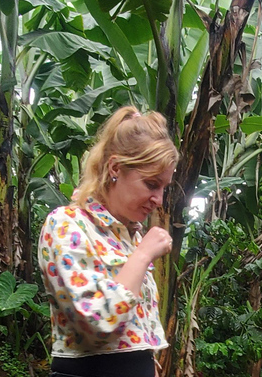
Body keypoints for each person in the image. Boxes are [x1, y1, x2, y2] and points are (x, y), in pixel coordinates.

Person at [38, 106, 179, 377]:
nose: (159, 200)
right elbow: (98, 323)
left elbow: (132, 338)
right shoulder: (67, 225)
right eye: (151, 184)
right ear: (115, 168)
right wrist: (142, 255)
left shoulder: (129, 236)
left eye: (164, 188)